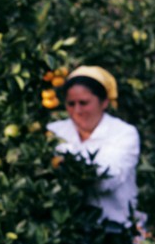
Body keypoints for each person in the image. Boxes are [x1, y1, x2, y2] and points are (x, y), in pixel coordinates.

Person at [47, 66, 142, 230]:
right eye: (71, 104)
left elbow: (108, 180)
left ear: (104, 102)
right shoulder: (54, 131)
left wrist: (67, 166)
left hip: (114, 228)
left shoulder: (124, 133)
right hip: (67, 230)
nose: (77, 111)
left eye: (84, 103)